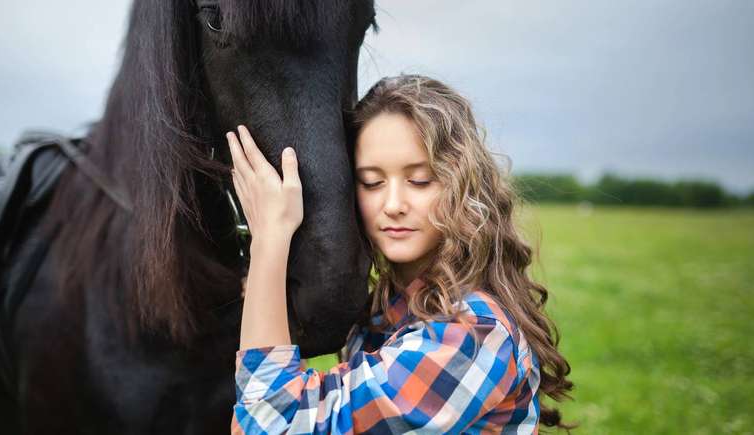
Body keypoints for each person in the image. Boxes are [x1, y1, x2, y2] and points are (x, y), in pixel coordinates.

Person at [227, 75, 572, 434]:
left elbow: (268, 426)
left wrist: (269, 239)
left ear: (463, 187)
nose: (393, 205)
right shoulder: (389, 308)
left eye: (420, 180)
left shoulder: (471, 336)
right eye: (372, 182)